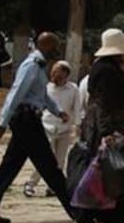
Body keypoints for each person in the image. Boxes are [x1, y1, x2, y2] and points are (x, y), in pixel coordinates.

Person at [0, 33, 75, 223]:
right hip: (26, 120)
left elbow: (41, 96)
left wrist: (58, 111)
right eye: (54, 45)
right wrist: (3, 123)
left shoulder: (39, 66)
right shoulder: (32, 65)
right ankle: (76, 210)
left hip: (27, 119)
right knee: (49, 166)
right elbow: (16, 93)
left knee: (8, 169)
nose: (57, 49)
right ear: (44, 45)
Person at [73, 29, 124, 223]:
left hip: (122, 131)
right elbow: (103, 105)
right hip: (115, 132)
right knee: (115, 172)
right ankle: (109, 216)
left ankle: (114, 216)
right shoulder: (106, 72)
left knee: (121, 172)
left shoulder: (113, 69)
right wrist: (107, 133)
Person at [25, 61, 83, 197]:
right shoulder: (46, 87)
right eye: (52, 71)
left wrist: (78, 125)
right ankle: (31, 183)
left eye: (56, 72)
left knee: (60, 160)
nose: (52, 75)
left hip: (64, 129)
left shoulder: (73, 89)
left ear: (65, 74)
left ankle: (53, 187)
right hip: (47, 127)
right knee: (45, 159)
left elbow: (77, 108)